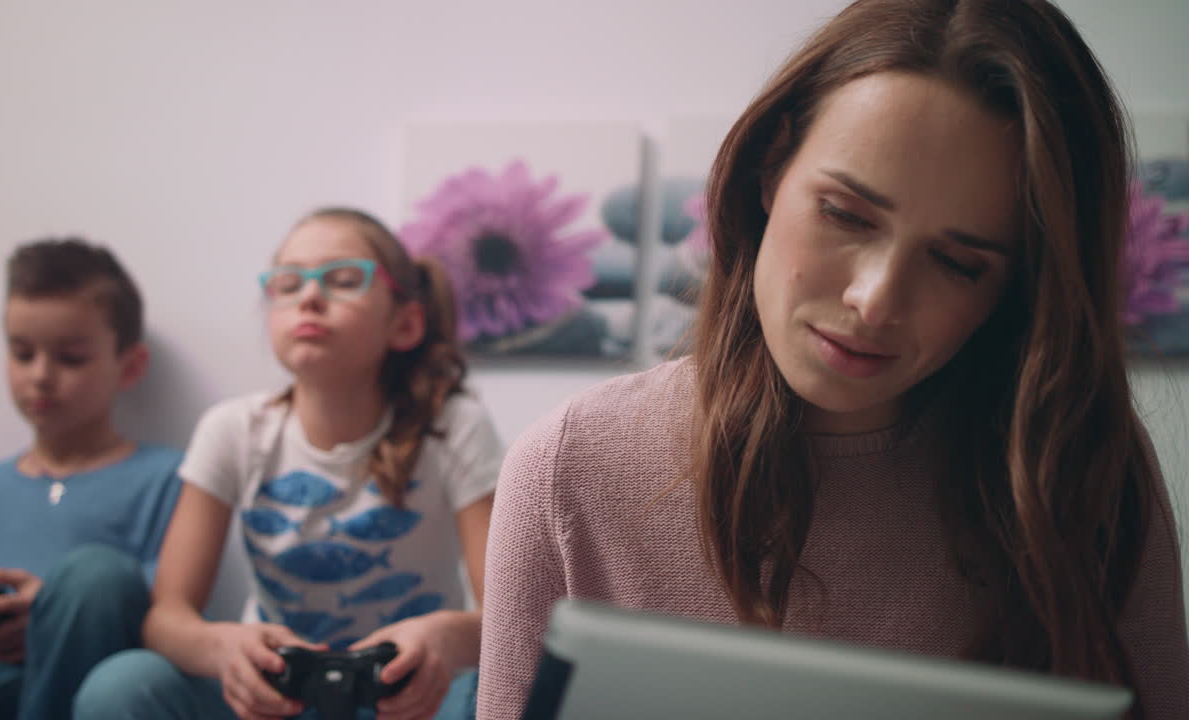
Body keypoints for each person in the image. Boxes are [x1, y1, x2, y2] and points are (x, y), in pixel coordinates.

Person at [477, 1, 1189, 718]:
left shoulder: (1084, 470)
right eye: (846, 215)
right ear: (768, 169)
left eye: (958, 263)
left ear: (1018, 289)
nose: (875, 299)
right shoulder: (570, 468)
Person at [76, 208, 504, 720]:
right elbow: (167, 618)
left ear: (405, 322)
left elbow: (510, 615)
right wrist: (225, 649)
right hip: (274, 701)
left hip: (412, 701)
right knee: (121, 686)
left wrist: (444, 639)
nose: (310, 296)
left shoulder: (453, 427)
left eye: (344, 280)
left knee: (497, 690)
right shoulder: (232, 430)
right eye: (287, 282)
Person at [0, 238, 184, 720]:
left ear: (130, 365)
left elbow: (170, 611)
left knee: (95, 575)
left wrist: (51, 616)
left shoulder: (169, 479)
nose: (40, 376)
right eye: (22, 354)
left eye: (71, 358)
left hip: (79, 691)